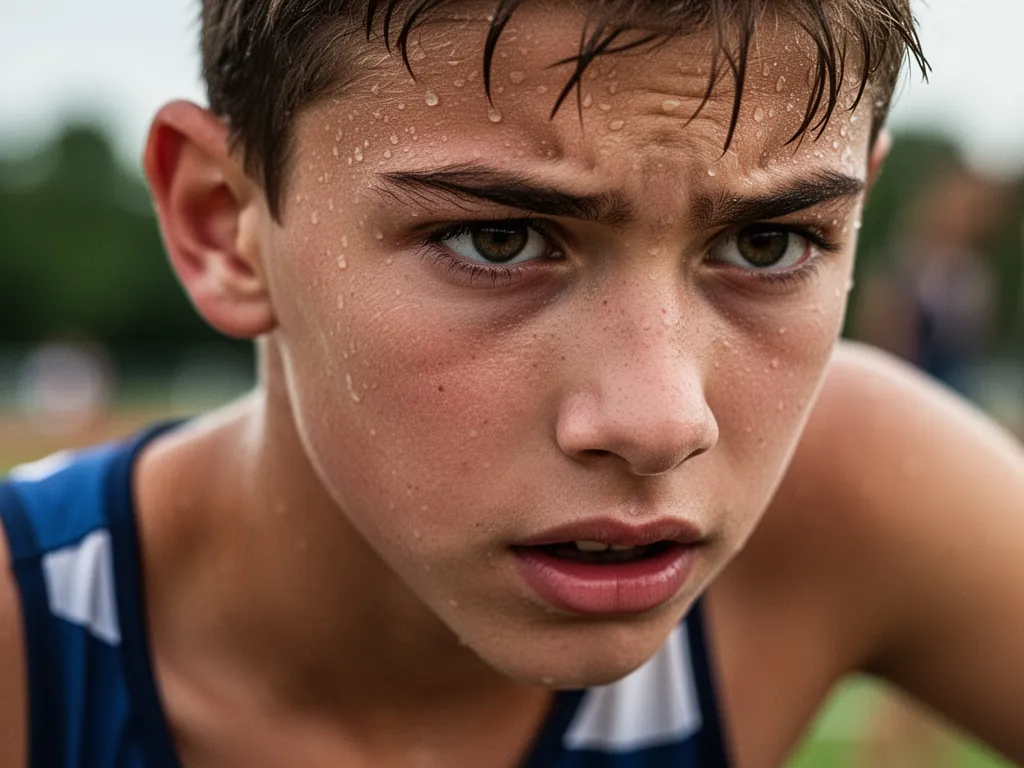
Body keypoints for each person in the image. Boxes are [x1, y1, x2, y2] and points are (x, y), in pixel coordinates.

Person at [1, 2, 1022, 767]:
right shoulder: (27, 637)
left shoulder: (854, 492)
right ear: (222, 223)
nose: (659, 422)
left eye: (769, 242)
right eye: (499, 240)